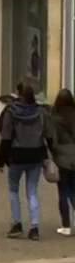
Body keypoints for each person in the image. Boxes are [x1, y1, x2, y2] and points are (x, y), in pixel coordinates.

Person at [0, 83, 49, 240]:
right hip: (35, 155)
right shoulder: (40, 112)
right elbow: (46, 134)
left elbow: (6, 137)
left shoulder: (11, 111)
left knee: (13, 190)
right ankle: (34, 227)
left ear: (19, 94)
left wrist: (1, 160)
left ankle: (17, 224)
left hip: (17, 155)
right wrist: (46, 156)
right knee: (32, 191)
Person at [48, 88, 75, 236]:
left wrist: (53, 154)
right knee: (73, 191)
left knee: (63, 192)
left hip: (62, 159)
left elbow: (53, 141)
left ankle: (66, 225)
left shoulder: (55, 118)